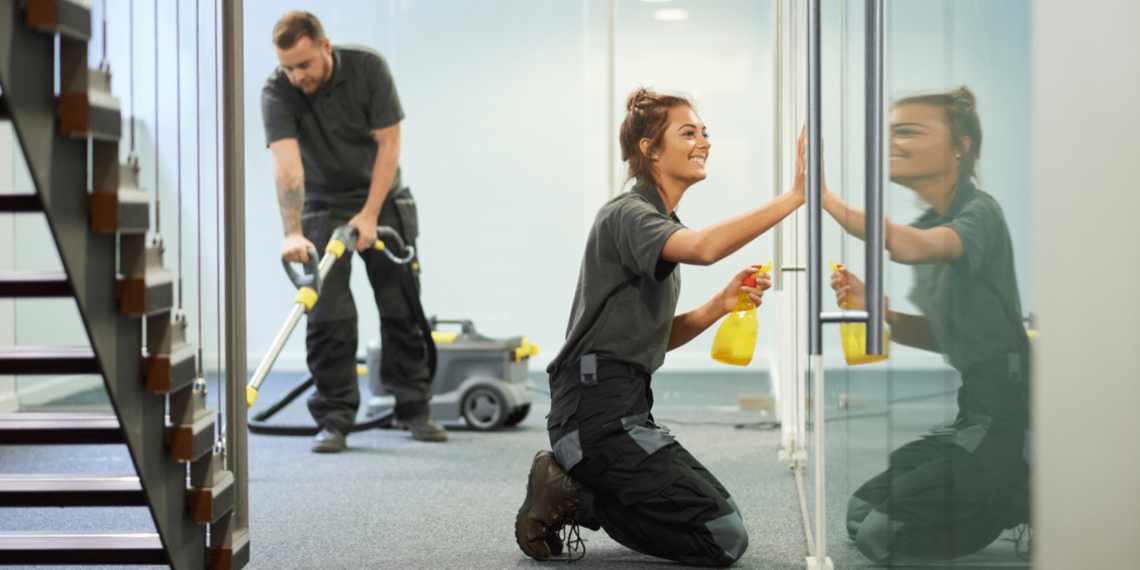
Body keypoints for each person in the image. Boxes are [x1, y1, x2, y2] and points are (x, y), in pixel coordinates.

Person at [514, 88, 806, 566]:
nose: (704, 142)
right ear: (650, 149)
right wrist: (795, 196)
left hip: (626, 409)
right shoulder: (629, 213)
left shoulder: (658, 220)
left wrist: (719, 305)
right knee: (722, 539)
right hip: (592, 416)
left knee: (721, 517)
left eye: (704, 132)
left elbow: (646, 339)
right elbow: (705, 248)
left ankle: (580, 486)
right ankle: (571, 492)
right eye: (687, 132)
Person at [824, 86, 1031, 563]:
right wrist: (884, 313)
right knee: (861, 512)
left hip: (1005, 419)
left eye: (909, 131)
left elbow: (910, 246)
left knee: (883, 537)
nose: (892, 142)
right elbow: (949, 337)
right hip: (971, 414)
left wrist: (824, 200)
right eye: (890, 131)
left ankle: (1017, 491)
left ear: (960, 145)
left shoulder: (980, 213)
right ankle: (1002, 487)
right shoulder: (932, 219)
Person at [261, 11, 446, 453]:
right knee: (328, 317)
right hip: (323, 205)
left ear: (325, 47)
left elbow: (390, 144)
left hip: (382, 198)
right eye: (288, 66)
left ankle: (412, 408)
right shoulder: (278, 90)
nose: (296, 75)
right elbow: (287, 167)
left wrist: (369, 214)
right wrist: (292, 231)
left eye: (304, 64)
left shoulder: (367, 68)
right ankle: (335, 417)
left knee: (401, 306)